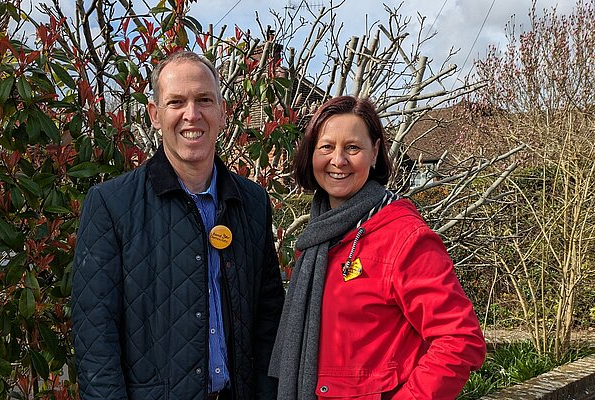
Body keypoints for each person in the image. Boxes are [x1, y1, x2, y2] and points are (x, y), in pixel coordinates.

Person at [71, 51, 285, 400]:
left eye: (204, 100)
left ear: (222, 112)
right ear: (156, 115)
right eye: (176, 102)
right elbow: (95, 336)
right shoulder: (112, 205)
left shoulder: (253, 203)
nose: (192, 114)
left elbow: (268, 321)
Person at [269, 96, 486, 400]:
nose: (338, 160)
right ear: (311, 155)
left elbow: (460, 340)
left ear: (375, 153)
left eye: (353, 148)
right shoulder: (319, 236)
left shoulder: (404, 237)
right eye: (327, 147)